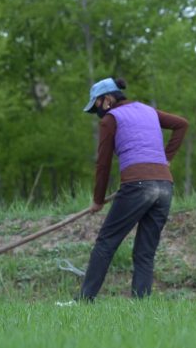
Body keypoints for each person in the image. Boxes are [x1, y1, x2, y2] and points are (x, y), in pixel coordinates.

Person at [78, 77, 188, 301]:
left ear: (107, 99)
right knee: (145, 251)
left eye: (97, 105)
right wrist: (165, 161)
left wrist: (98, 199)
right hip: (165, 186)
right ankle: (141, 306)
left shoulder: (111, 119)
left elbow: (103, 163)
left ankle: (84, 300)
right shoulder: (148, 111)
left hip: (138, 186)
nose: (97, 111)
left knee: (106, 243)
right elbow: (181, 124)